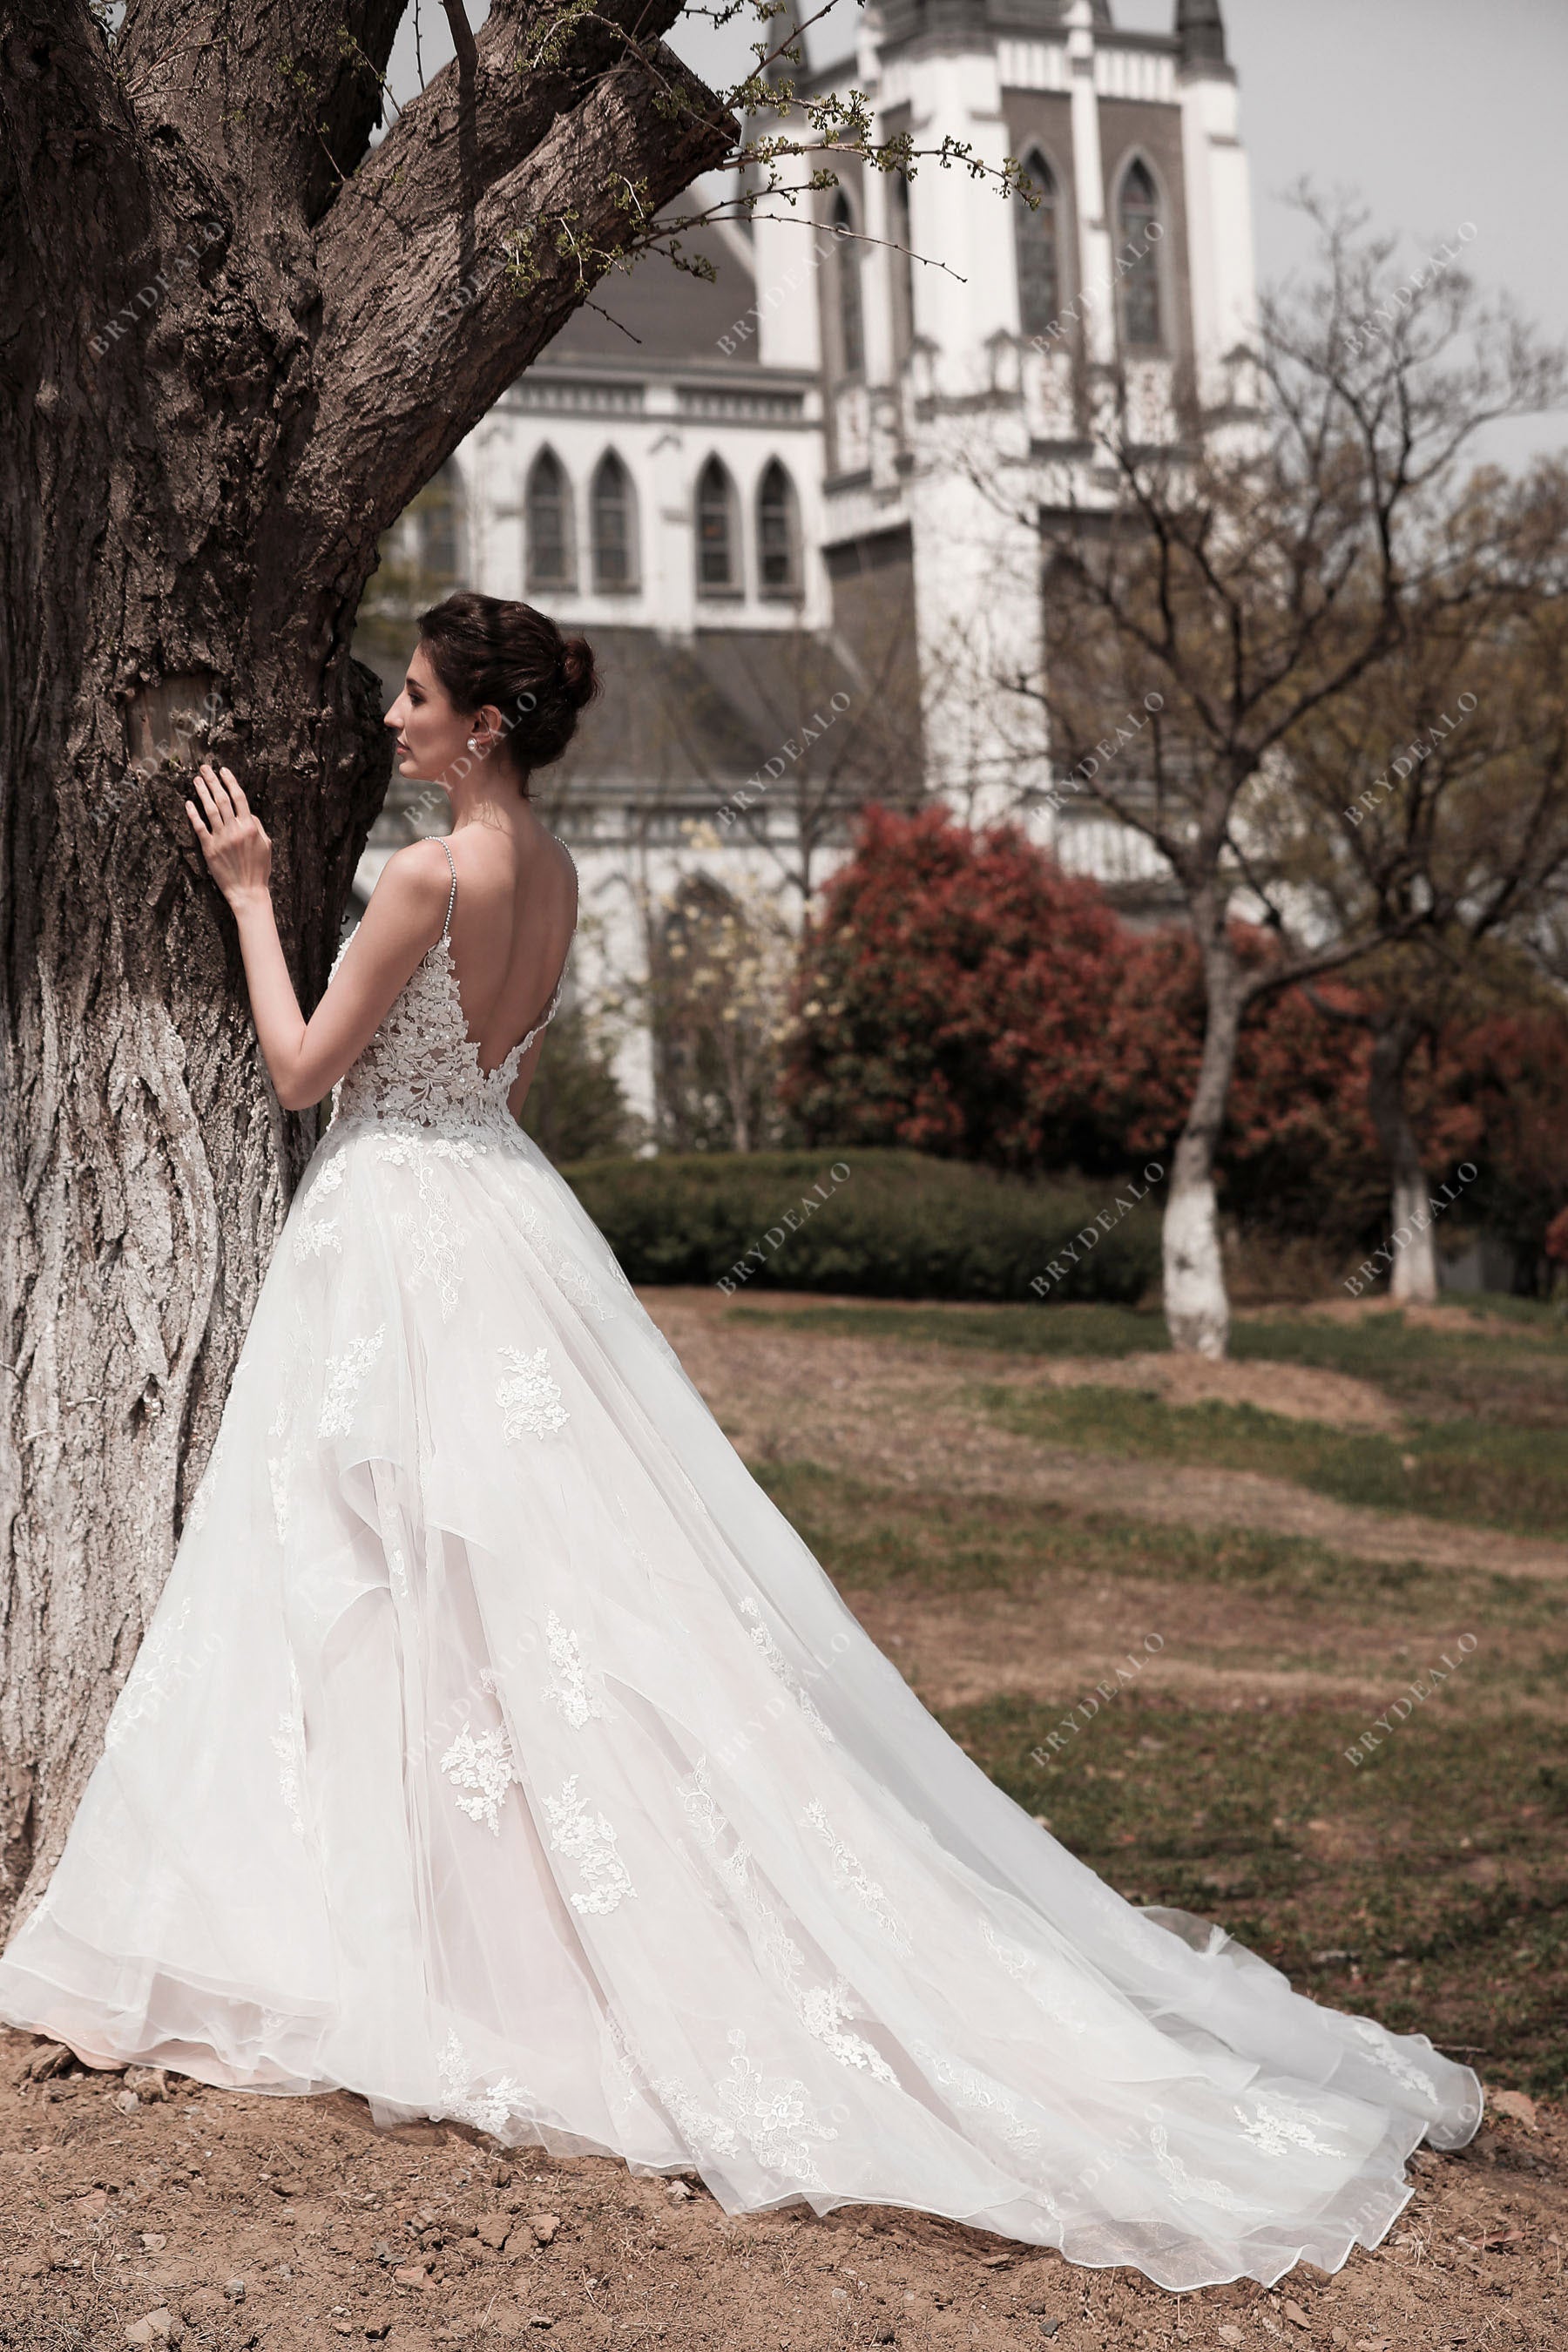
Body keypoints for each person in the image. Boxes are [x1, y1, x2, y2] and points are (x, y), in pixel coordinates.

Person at [0, 594, 1481, 2294]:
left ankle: (430, 1942)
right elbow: (507, 1080)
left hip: (396, 1228)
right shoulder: (546, 879)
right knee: (520, 1600)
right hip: (502, 1218)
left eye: (411, 698)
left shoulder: (422, 878)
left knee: (390, 1576)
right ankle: (485, 1929)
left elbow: (292, 1069)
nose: (389, 720)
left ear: (483, 725)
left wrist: (256, 895)